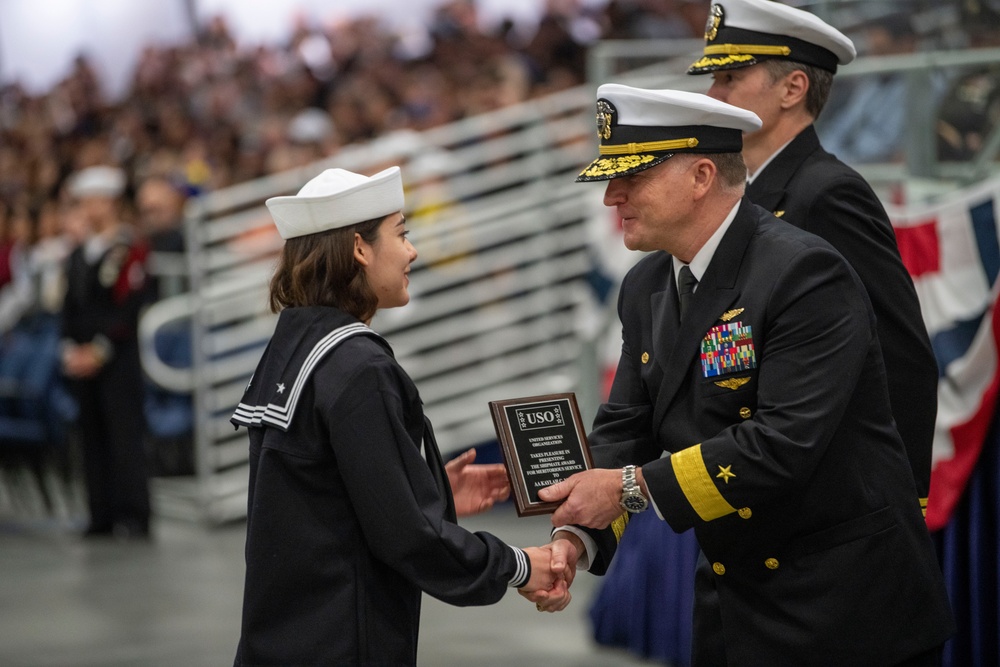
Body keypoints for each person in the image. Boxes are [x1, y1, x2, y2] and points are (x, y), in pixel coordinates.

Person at [525, 84, 955, 665]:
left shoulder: (805, 271)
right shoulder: (647, 284)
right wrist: (574, 536)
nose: (611, 196)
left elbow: (782, 443)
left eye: (633, 176)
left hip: (843, 604)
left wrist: (628, 489)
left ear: (702, 175)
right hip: (735, 598)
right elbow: (628, 425)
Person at [229, 166, 572, 666]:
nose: (412, 252)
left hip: (281, 637)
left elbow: (316, 495)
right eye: (401, 234)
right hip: (343, 641)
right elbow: (406, 536)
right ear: (359, 249)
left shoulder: (293, 346)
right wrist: (519, 565)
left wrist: (427, 490)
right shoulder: (359, 365)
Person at [689, 0, 938, 508]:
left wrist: (903, 498)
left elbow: (901, 352)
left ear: (793, 88)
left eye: (731, 77)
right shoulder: (748, 198)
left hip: (840, 496)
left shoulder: (827, 194)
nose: (713, 95)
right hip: (763, 483)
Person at [61, 165, 152, 539]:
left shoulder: (127, 248)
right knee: (91, 436)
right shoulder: (79, 253)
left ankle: (133, 515)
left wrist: (99, 350)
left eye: (96, 200)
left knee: (123, 434)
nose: (89, 208)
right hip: (82, 358)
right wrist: (68, 347)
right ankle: (100, 514)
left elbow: (128, 307)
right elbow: (69, 305)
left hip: (117, 359)